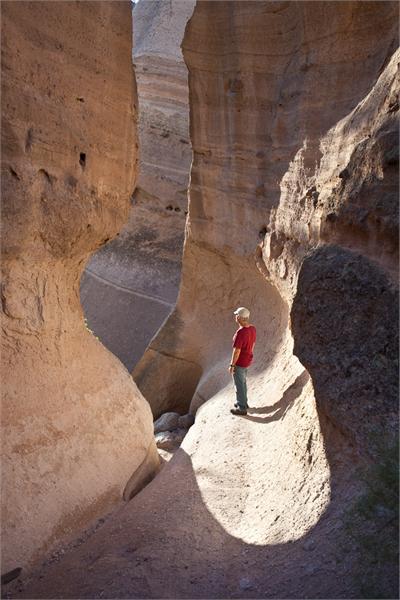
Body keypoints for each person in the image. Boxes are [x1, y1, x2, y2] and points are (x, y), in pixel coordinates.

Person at [228, 306, 256, 415]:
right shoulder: (252, 329)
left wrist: (232, 365)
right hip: (247, 359)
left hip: (240, 362)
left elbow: (236, 351)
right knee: (243, 381)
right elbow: (253, 344)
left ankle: (242, 408)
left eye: (236, 315)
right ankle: (243, 401)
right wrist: (249, 354)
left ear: (239, 318)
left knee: (239, 384)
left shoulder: (241, 333)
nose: (235, 317)